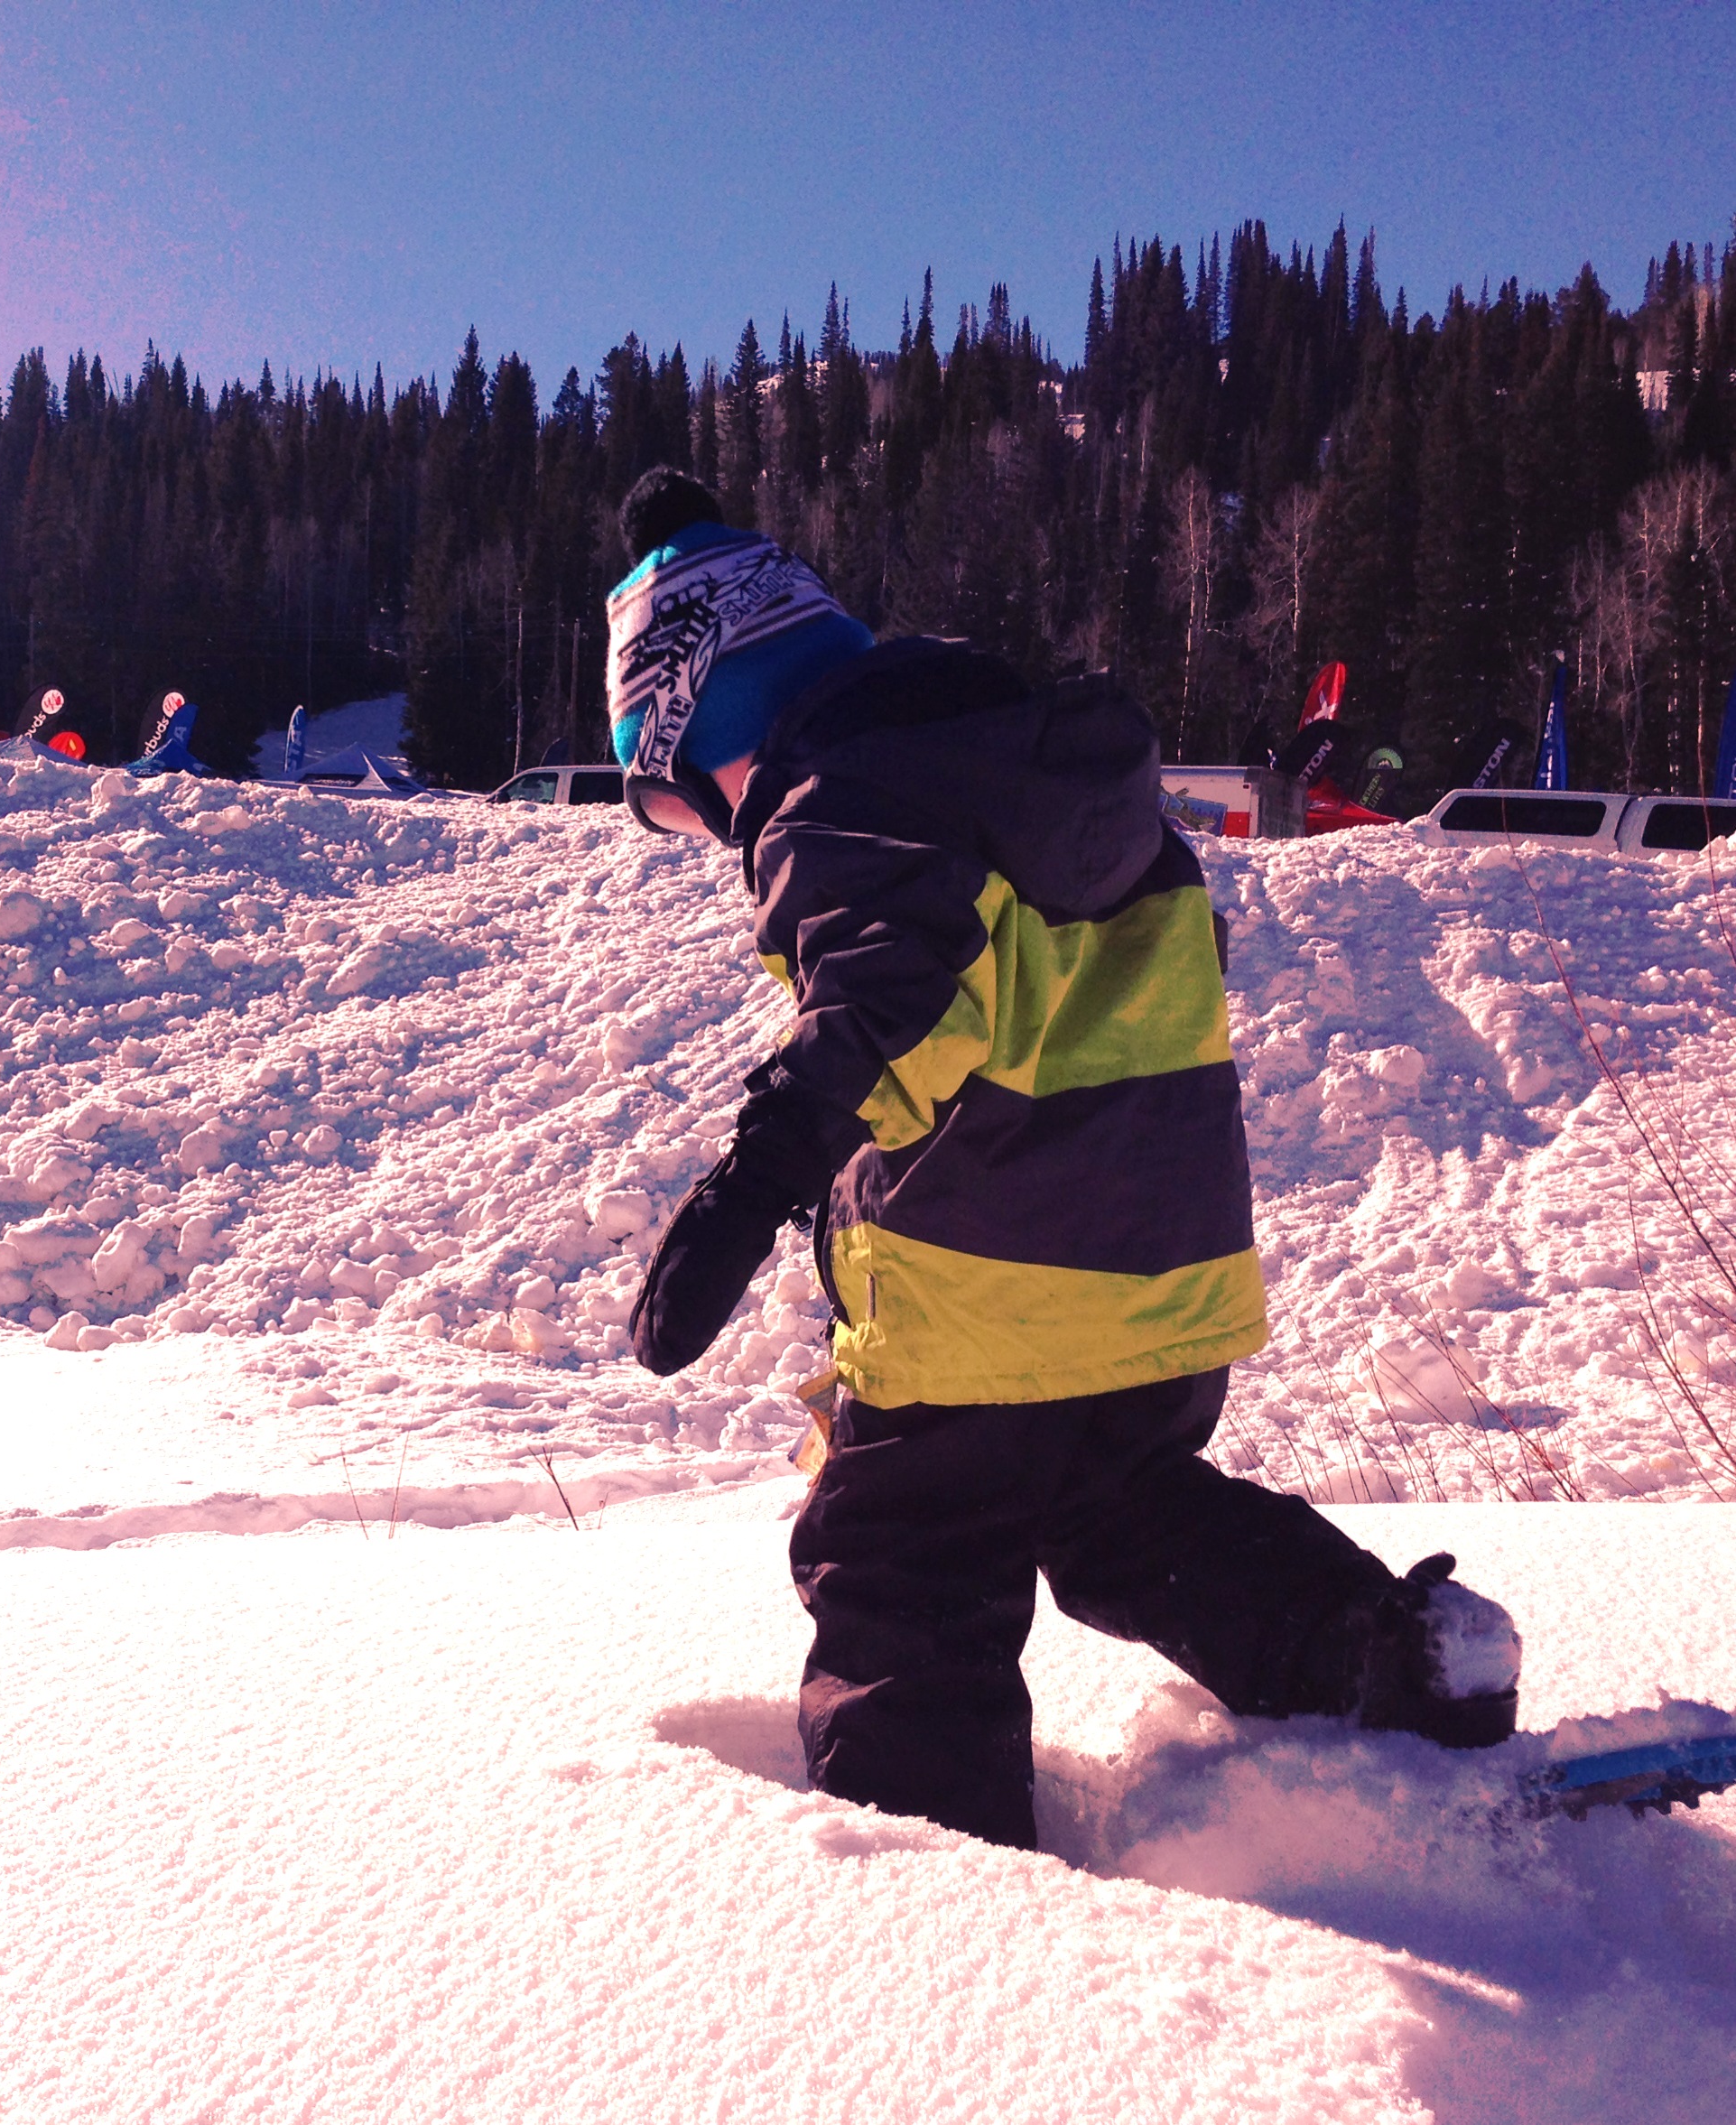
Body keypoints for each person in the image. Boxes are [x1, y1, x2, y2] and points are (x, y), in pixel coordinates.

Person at [605, 466, 1520, 1850]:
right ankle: (1392, 1654)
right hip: (1159, 1286)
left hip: (980, 1294)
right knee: (1122, 1518)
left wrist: (751, 1181)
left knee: (900, 1559)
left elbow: (889, 1007)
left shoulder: (836, 800)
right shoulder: (1045, 776)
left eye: (675, 797)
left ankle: (934, 1879)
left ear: (713, 716)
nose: (708, 830)